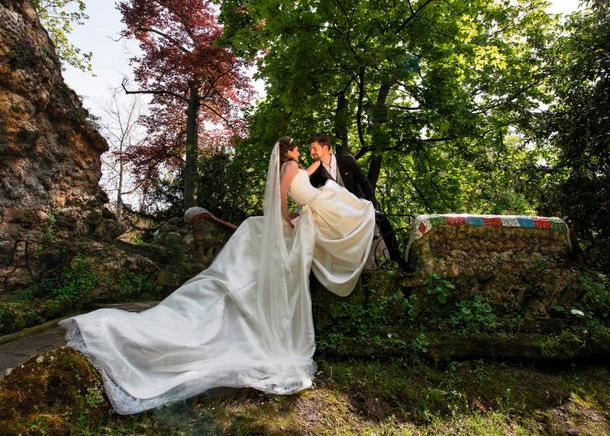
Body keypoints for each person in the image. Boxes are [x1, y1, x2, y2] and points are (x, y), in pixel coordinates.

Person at [59, 138, 375, 415]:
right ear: (288, 151)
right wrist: (287, 221)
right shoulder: (289, 168)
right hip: (295, 222)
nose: (302, 151)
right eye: (297, 147)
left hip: (303, 216)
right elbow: (281, 198)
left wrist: (300, 202)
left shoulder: (293, 168)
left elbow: (299, 187)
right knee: (350, 213)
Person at [308, 134, 415, 273]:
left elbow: (365, 183)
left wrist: (373, 206)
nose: (312, 153)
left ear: (327, 148)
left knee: (382, 219)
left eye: (314, 149)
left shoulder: (347, 161)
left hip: (358, 203)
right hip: (339, 211)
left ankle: (399, 260)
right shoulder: (317, 172)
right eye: (311, 149)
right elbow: (309, 192)